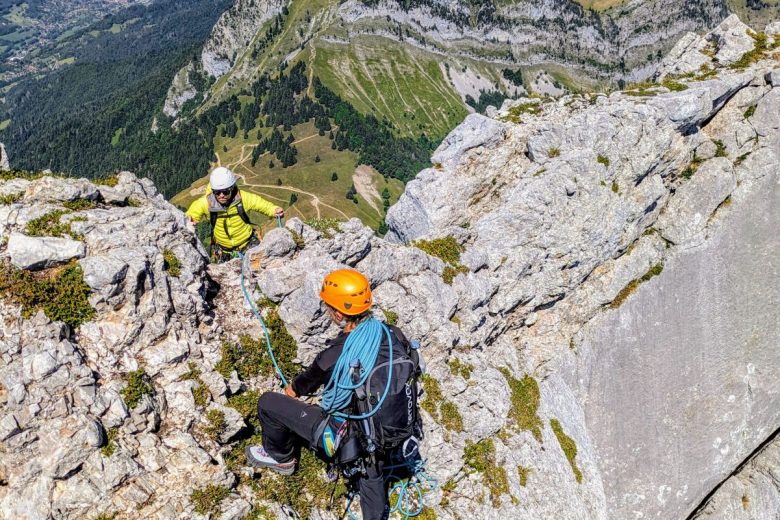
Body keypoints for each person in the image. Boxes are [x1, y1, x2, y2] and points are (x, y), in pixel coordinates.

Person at [245, 269, 418, 520]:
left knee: (268, 403)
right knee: (371, 468)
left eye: (328, 306)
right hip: (387, 431)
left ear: (338, 313)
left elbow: (301, 386)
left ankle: (281, 458)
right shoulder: (392, 333)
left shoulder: (336, 355)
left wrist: (290, 392)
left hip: (348, 436)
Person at [186, 166, 283, 262]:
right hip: (223, 249)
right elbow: (191, 215)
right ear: (213, 190)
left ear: (232, 188)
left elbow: (260, 204)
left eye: (225, 192)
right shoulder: (206, 203)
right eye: (217, 192)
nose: (221, 195)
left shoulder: (243, 198)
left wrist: (274, 210)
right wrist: (189, 221)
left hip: (248, 243)